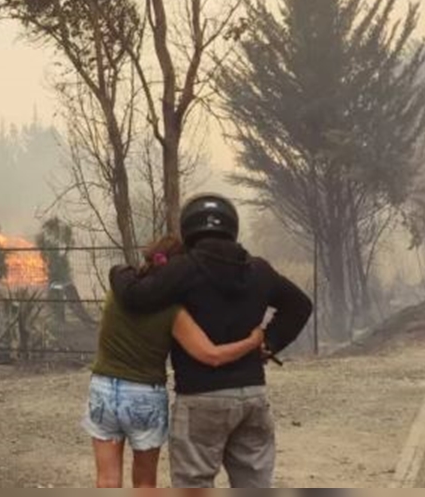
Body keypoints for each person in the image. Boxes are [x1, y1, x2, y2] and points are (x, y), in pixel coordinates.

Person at [109, 193, 313, 488]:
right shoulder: (259, 270)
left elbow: (136, 297)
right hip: (252, 395)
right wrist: (269, 341)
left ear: (189, 228)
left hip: (199, 398)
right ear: (233, 226)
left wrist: (120, 271)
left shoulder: (184, 269)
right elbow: (300, 305)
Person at [85, 234, 266, 488]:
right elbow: (211, 355)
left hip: (102, 390)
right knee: (145, 482)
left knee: (106, 479)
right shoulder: (173, 312)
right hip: (144, 397)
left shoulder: (116, 295)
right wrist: (252, 341)